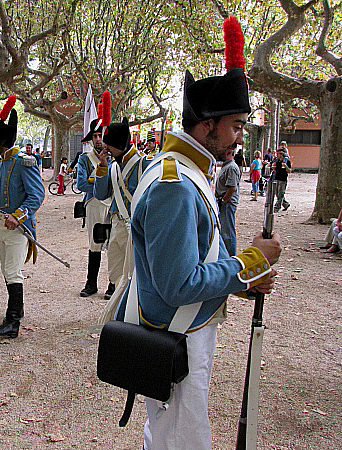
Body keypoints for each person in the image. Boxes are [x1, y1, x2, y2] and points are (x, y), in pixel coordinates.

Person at [114, 17, 282, 450]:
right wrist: (248, 264)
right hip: (178, 329)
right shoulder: (175, 183)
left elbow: (198, 257)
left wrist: (242, 279)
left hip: (182, 326)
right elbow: (179, 284)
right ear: (207, 125)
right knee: (182, 440)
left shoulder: (189, 171)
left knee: (168, 436)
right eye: (236, 126)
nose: (240, 137)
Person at [0, 95, 45, 338]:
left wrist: (18, 216)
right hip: (1, 225)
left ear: (3, 140)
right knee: (7, 270)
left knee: (12, 271)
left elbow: (37, 195)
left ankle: (12, 321)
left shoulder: (23, 162)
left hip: (18, 227)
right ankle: (16, 311)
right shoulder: (1, 164)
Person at [94, 114, 149, 301]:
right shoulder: (112, 166)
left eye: (109, 144)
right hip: (117, 225)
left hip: (137, 226)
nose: (106, 147)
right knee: (116, 273)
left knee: (136, 274)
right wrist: (102, 167)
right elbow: (101, 194)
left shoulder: (144, 164)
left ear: (121, 144)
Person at [77, 118, 111, 297]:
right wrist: (103, 185)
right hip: (94, 204)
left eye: (100, 135)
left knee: (114, 245)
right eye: (95, 136)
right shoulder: (85, 159)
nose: (98, 139)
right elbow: (81, 184)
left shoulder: (115, 157)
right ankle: (91, 284)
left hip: (113, 205)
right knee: (95, 245)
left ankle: (113, 284)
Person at [215, 148, 241, 256]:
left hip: (227, 203)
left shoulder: (231, 167)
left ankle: (231, 256)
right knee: (225, 230)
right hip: (224, 202)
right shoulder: (226, 166)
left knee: (228, 232)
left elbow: (232, 189)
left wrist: (223, 200)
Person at [272, 144, 292, 212]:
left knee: (281, 193)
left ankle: (277, 206)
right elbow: (276, 170)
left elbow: (289, 171)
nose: (277, 155)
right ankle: (286, 204)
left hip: (283, 179)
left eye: (278, 154)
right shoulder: (277, 161)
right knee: (277, 194)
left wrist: (286, 166)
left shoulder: (287, 161)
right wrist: (273, 168)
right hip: (277, 178)